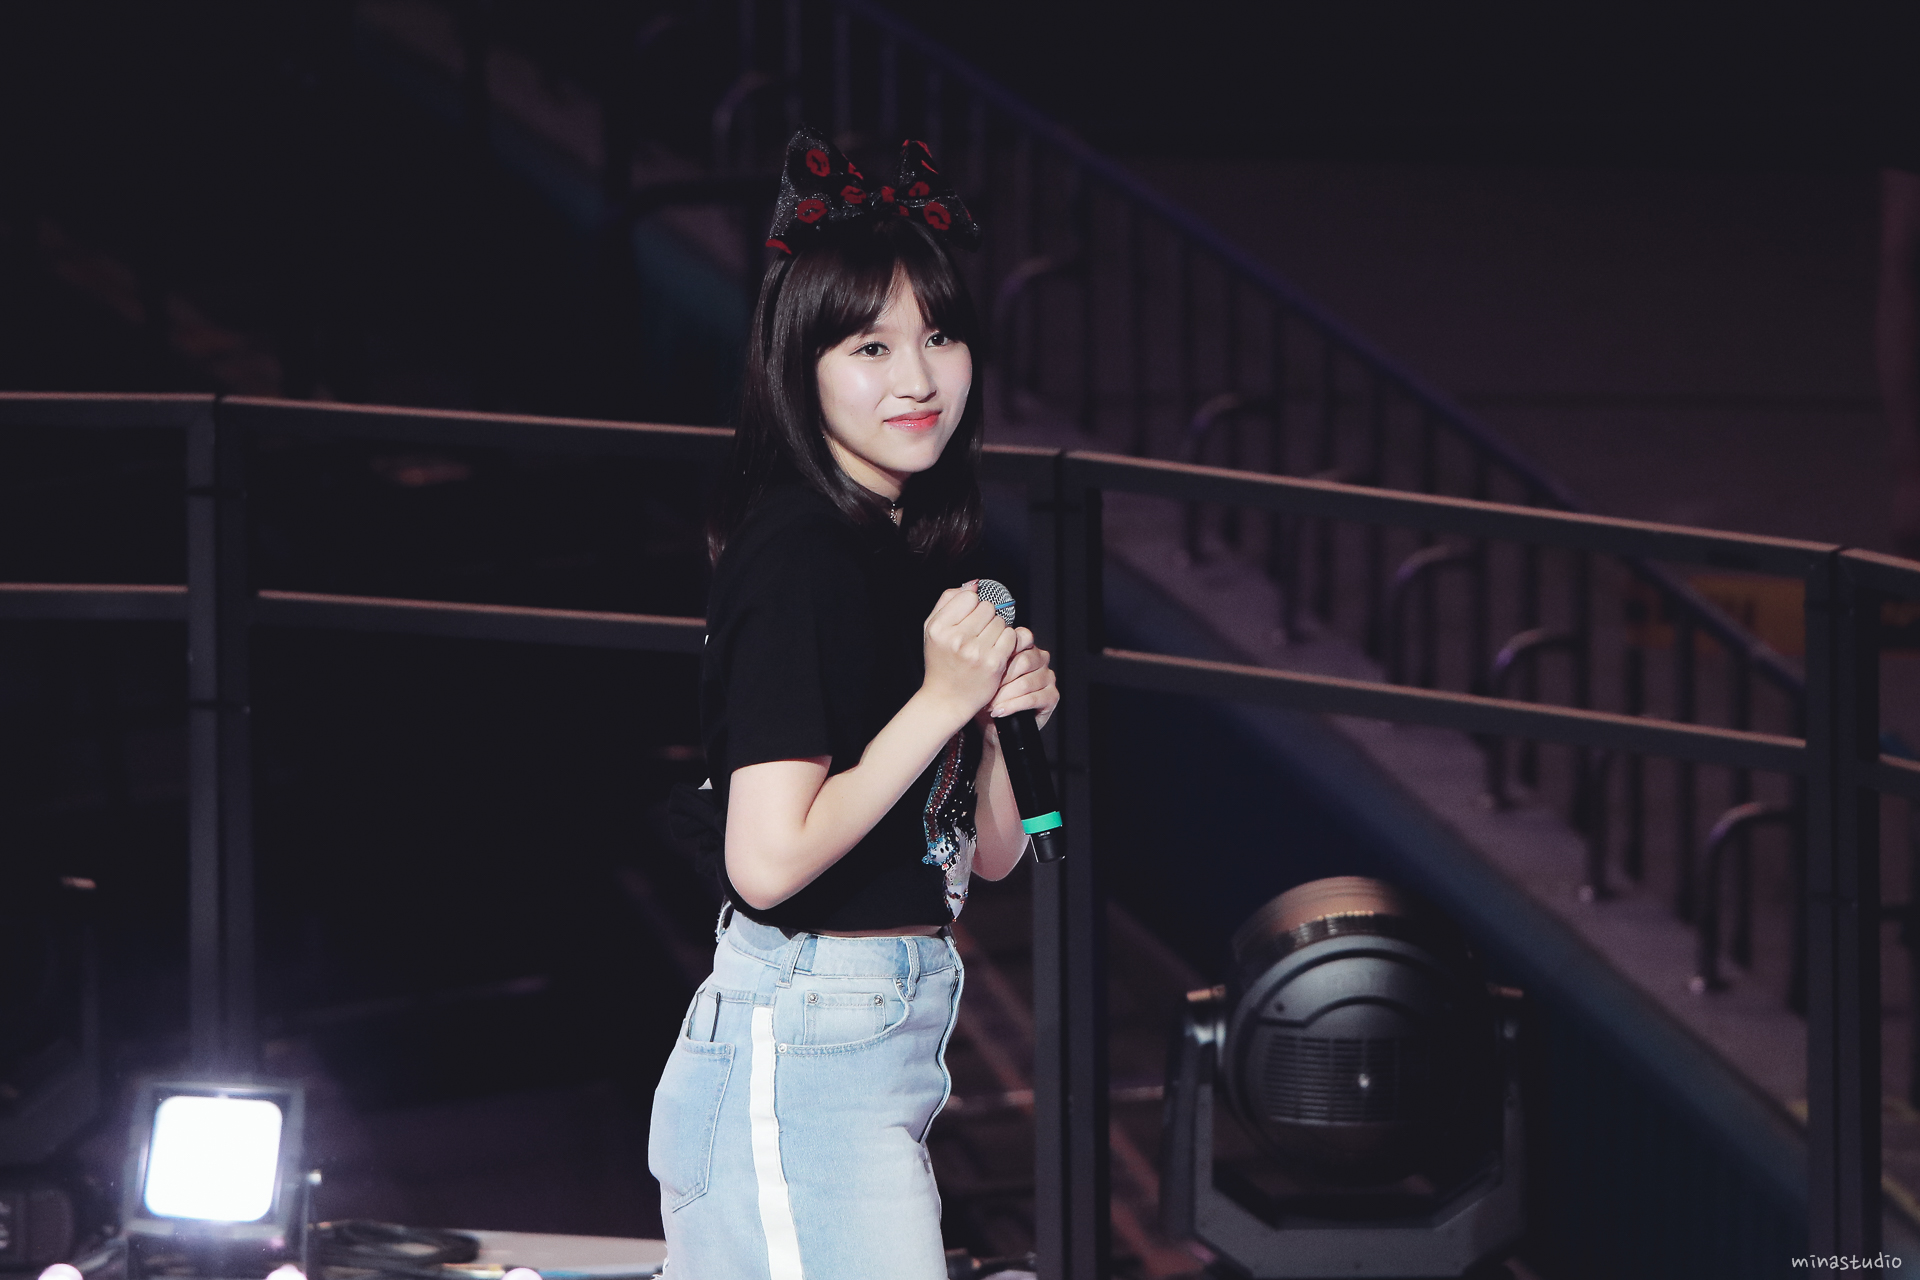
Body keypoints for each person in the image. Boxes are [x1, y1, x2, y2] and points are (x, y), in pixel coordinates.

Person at [648, 128, 1058, 1280]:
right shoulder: (799, 554)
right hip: (802, 1044)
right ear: (802, 365)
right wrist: (939, 700)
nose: (918, 378)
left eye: (940, 335)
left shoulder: (908, 546)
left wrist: (998, 728)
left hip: (881, 1038)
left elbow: (986, 855)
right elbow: (767, 862)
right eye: (871, 344)